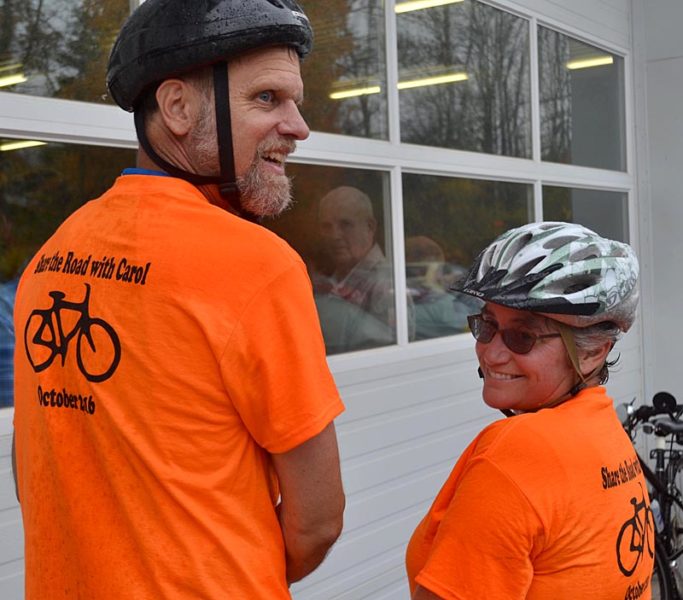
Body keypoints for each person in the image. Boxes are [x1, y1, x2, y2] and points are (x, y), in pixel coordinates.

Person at [12, 1, 345, 599]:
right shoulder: (257, 266)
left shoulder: (52, 255)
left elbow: (28, 472)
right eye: (267, 98)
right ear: (178, 107)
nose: (298, 126)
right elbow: (317, 520)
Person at [406, 221, 652, 599]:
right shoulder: (605, 429)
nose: (491, 352)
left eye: (522, 336)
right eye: (486, 325)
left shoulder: (518, 452)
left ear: (592, 352)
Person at [313, 185, 412, 352]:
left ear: (370, 227)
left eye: (345, 224)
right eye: (327, 226)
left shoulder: (388, 284)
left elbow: (388, 360)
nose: (334, 235)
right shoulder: (330, 279)